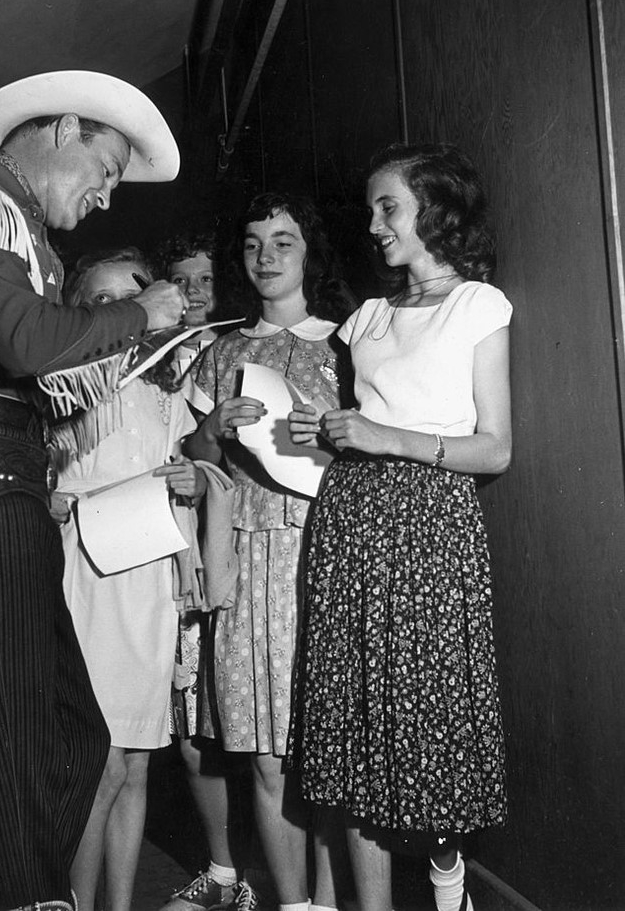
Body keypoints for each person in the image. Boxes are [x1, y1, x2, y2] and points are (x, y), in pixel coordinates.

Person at [0, 71, 188, 911]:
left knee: (74, 734)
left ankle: (33, 890)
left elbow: (38, 366)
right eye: (108, 170)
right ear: (62, 128)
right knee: (14, 743)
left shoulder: (14, 222)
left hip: (5, 477)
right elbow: (24, 342)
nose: (106, 197)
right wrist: (140, 316)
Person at [286, 142, 511, 911]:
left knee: (431, 715)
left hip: (432, 524)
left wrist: (389, 439)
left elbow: (496, 446)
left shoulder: (477, 306)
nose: (377, 224)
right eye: (374, 209)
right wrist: (315, 430)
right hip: (350, 520)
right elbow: (352, 427)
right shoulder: (367, 319)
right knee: (352, 725)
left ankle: (448, 871)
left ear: (435, 212)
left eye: (391, 207)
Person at [184, 193, 356, 911]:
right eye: (254, 244)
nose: (267, 258)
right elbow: (192, 466)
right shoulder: (223, 350)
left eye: (283, 242)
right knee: (265, 751)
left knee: (326, 745)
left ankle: (326, 896)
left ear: (309, 252)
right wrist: (214, 430)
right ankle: (292, 904)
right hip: (250, 558)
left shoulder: (345, 342)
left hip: (325, 553)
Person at [50, 247, 205, 911]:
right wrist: (48, 497)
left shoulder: (166, 389)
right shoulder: (63, 389)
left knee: (136, 762)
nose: (119, 311)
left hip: (148, 584)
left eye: (130, 298)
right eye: (102, 301)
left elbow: (182, 478)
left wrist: (188, 508)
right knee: (100, 764)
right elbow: (42, 478)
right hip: (87, 578)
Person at [155, 231, 255, 911]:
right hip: (175, 555)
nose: (195, 294)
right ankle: (223, 874)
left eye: (207, 280)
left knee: (257, 727)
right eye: (181, 280)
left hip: (242, 557)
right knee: (191, 728)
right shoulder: (147, 360)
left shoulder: (241, 351)